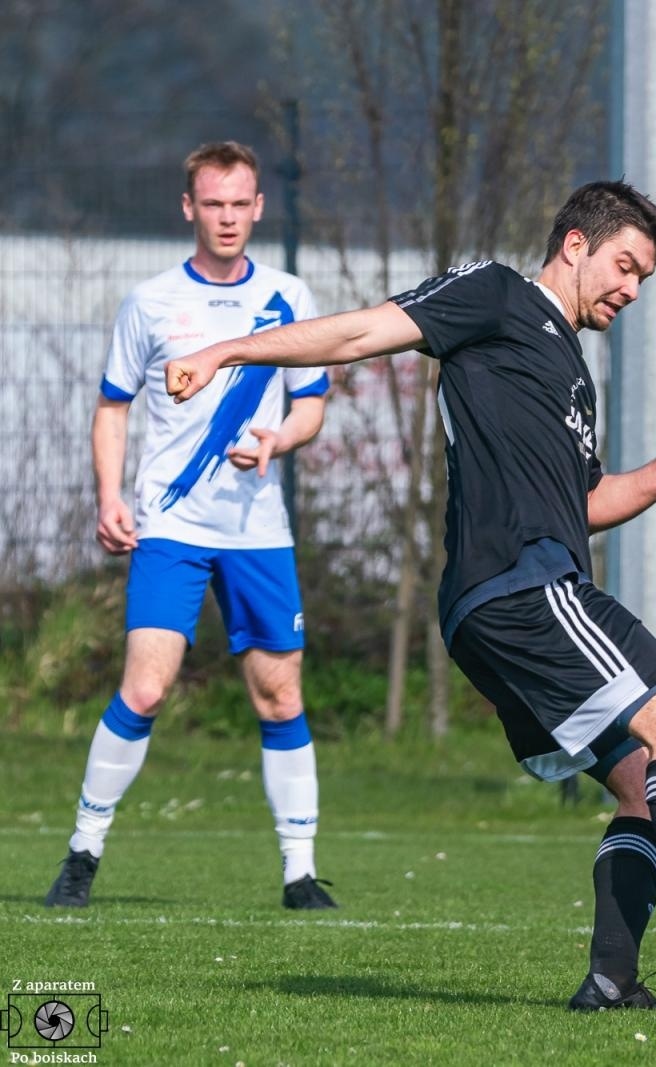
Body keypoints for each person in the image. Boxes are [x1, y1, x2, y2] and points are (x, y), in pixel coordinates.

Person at [164, 180, 656, 1010]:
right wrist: (226, 352)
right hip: (520, 581)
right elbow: (365, 329)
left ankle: (611, 980)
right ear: (575, 244)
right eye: (625, 265)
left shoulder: (572, 372)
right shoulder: (497, 295)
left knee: (642, 779)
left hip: (514, 590)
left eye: (644, 277)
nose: (631, 288)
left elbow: (583, 502)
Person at [45, 141, 334, 911]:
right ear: (189, 207)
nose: (229, 217)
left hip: (259, 530)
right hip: (171, 523)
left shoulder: (290, 297)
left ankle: (300, 874)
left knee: (279, 695)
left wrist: (277, 438)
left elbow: (311, 403)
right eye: (214, 204)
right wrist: (110, 494)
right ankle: (82, 853)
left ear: (259, 206)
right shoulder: (149, 302)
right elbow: (113, 406)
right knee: (143, 689)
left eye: (241, 204)